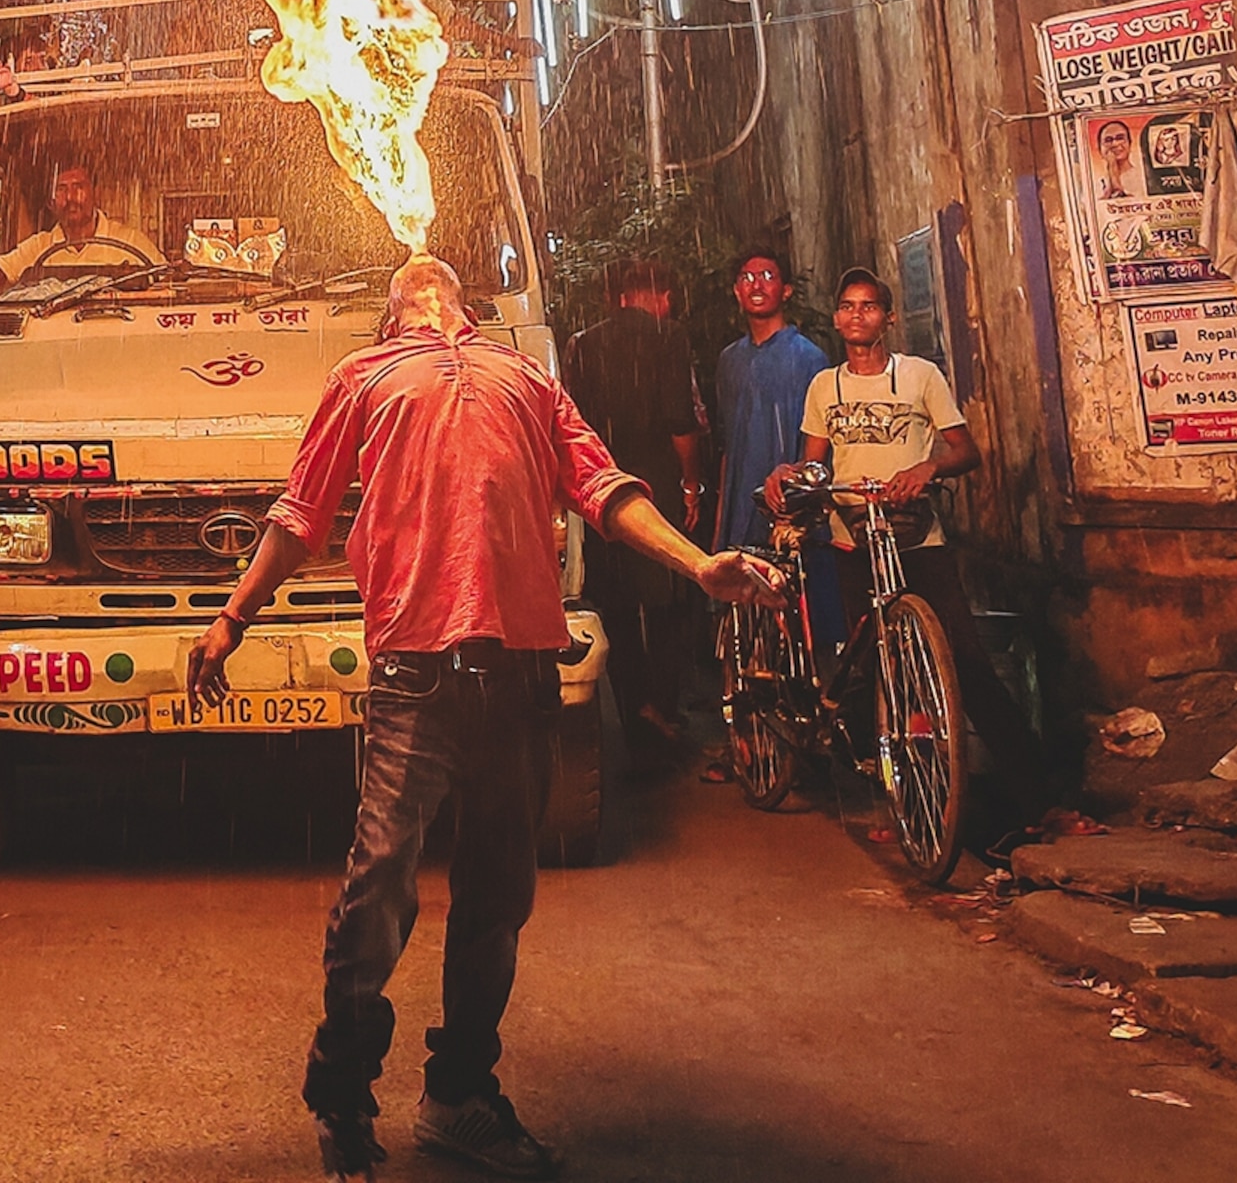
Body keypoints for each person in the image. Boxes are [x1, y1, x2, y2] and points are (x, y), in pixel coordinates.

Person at [186, 257, 786, 1179]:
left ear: (464, 304)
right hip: (415, 673)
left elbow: (606, 488)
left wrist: (699, 565)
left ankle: (459, 1093)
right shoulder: (365, 377)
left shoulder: (527, 376)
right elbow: (300, 514)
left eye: (433, 278)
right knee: (380, 883)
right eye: (406, 284)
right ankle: (344, 1085)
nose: (421, 278)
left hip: (521, 672)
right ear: (392, 319)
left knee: (498, 894)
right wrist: (233, 617)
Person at [771, 269, 1045, 824]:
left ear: (888, 318)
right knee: (873, 671)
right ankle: (895, 805)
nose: (856, 316)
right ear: (836, 318)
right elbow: (816, 460)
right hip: (854, 541)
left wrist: (928, 466)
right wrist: (792, 472)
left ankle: (1040, 801)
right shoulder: (826, 387)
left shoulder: (920, 377)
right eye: (847, 306)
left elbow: (965, 451)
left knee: (964, 661)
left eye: (868, 306)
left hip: (919, 541)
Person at [560, 259, 704, 756]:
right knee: (665, 601)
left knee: (616, 606)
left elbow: (572, 423)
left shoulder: (582, 344)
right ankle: (662, 708)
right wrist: (690, 484)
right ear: (658, 295)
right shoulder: (670, 337)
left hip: (602, 487)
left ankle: (632, 711)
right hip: (655, 486)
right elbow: (680, 420)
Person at [713, 251, 834, 657]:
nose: (757, 283)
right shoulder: (729, 361)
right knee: (745, 635)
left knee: (803, 631)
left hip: (791, 514)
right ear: (735, 291)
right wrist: (720, 523)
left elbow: (818, 446)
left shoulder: (809, 358)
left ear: (785, 290)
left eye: (767, 275)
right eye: (747, 277)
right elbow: (730, 443)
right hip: (741, 513)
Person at [0, 160, 155, 287]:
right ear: (51, 201)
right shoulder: (38, 246)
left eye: (78, 187)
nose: (70, 198)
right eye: (61, 189)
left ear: (95, 193)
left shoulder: (131, 241)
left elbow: (167, 280)